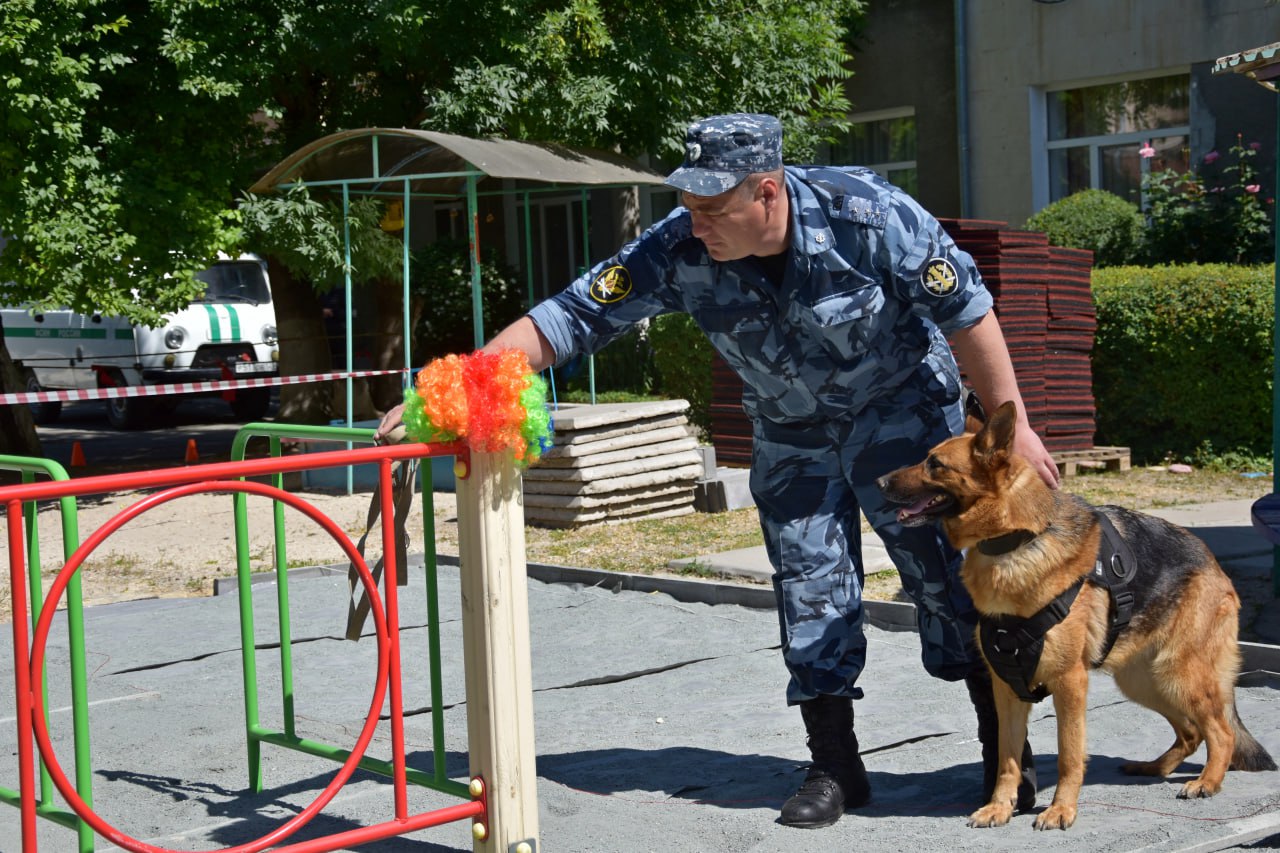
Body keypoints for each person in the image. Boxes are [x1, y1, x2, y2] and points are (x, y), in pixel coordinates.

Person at [378, 113, 1058, 828]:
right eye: (688, 205)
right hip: (793, 434)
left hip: (903, 423)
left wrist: (1017, 426)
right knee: (810, 588)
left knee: (954, 585)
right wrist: (454, 389)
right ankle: (834, 766)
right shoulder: (678, 247)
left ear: (766, 193)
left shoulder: (868, 215)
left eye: (711, 207)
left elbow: (967, 311)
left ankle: (1004, 751)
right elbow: (570, 317)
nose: (693, 221)